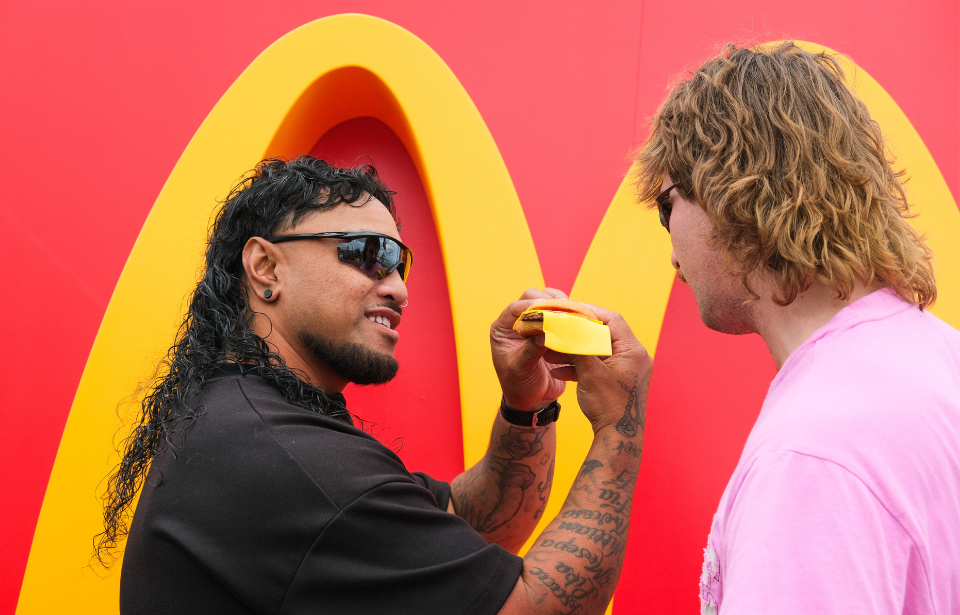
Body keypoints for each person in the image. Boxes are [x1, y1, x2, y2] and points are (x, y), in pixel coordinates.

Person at [100, 156, 653, 615]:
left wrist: (527, 406)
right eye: (369, 254)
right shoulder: (285, 459)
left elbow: (475, 521)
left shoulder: (248, 423)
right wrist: (619, 423)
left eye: (399, 263)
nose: (398, 289)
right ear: (266, 267)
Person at [634, 41, 960, 613]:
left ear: (729, 190)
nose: (671, 251)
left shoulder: (809, 460)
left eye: (666, 207)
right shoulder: (941, 356)